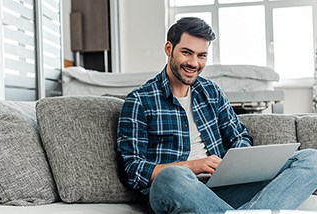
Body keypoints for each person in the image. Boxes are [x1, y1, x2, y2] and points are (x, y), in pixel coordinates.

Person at [117, 17, 317, 213]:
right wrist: (193, 166)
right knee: (172, 176)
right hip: (177, 190)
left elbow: (240, 136)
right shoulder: (139, 101)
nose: (194, 63)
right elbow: (133, 170)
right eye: (187, 53)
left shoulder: (211, 92)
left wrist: (236, 164)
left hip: (221, 188)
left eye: (201, 55)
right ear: (169, 49)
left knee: (311, 159)